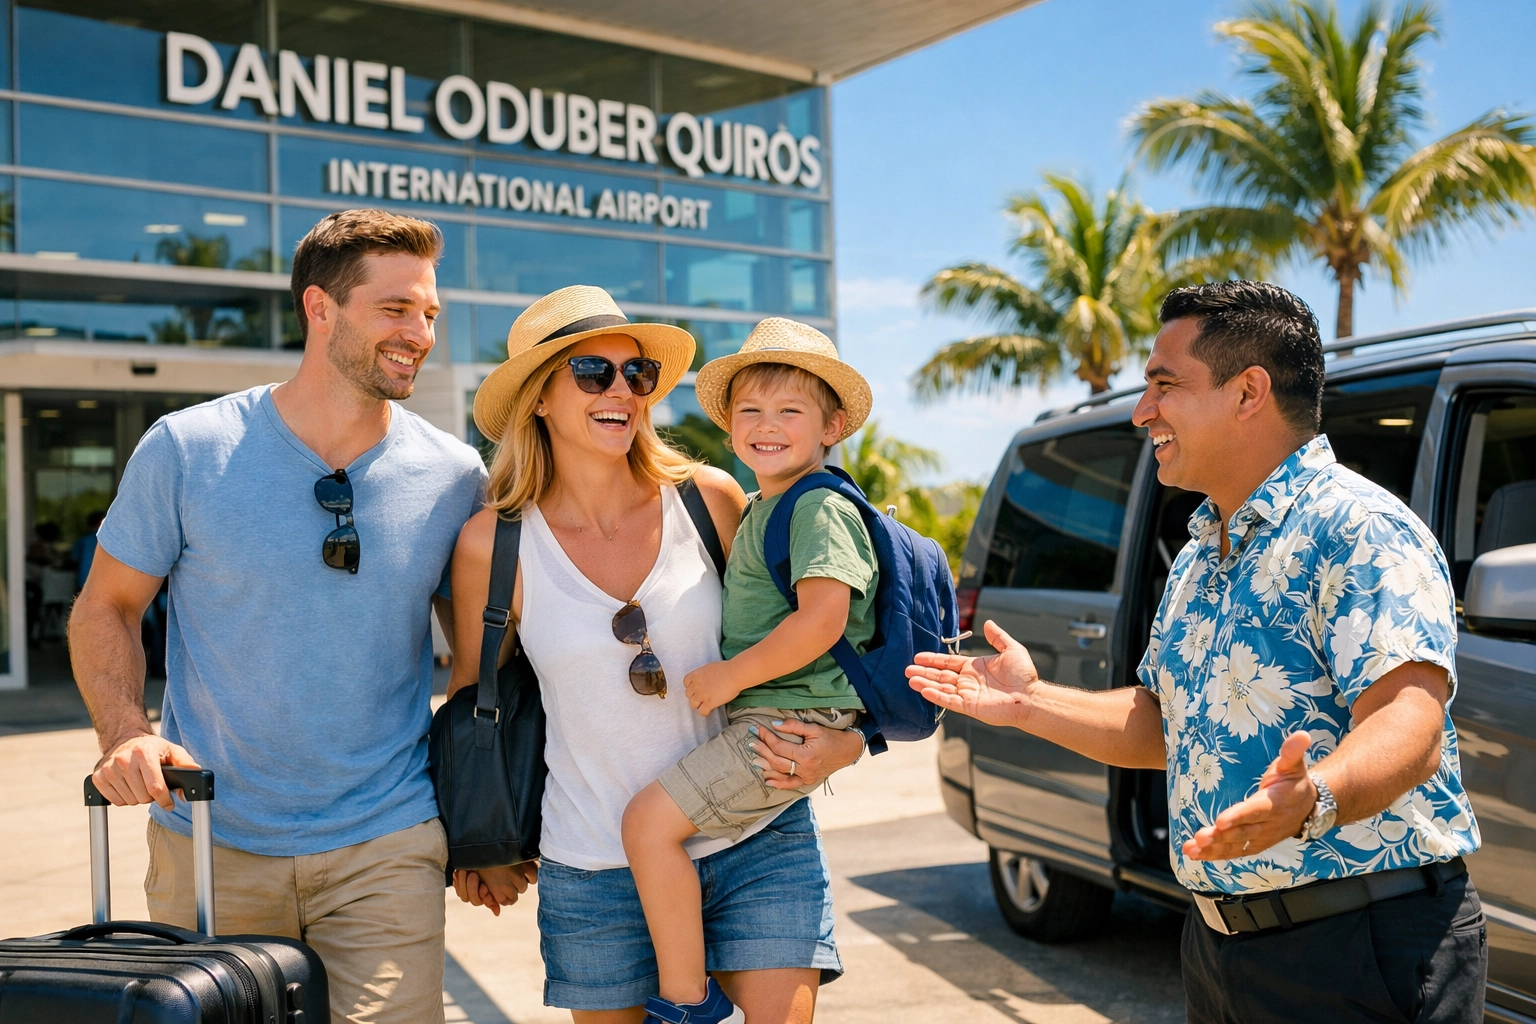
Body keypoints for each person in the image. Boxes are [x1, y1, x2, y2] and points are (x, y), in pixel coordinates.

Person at [907, 281, 1485, 1024]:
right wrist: (1028, 702)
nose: (1143, 411)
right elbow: (1162, 728)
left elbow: (1410, 727)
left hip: (1360, 947)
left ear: (1248, 392)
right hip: (1220, 949)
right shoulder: (1199, 553)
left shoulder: (1361, 529)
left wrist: (1311, 800)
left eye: (1164, 385)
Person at [69, 209, 486, 1024]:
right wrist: (125, 732)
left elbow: (477, 662)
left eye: (430, 313)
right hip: (208, 838)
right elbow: (106, 608)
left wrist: (484, 826)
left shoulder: (453, 473)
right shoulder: (186, 450)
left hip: (388, 838)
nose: (421, 333)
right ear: (319, 309)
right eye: (396, 309)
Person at [448, 287, 866, 1024]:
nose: (622, 391)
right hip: (593, 868)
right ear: (538, 399)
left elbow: (827, 632)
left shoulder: (710, 499)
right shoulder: (494, 543)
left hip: (756, 837)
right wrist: (476, 843)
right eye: (591, 373)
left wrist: (854, 741)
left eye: (636, 374)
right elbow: (473, 701)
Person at [619, 318, 876, 1024]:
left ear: (833, 424)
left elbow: (823, 619)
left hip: (785, 724)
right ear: (730, 428)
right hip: (774, 720)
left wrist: (732, 678)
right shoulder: (767, 504)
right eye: (750, 412)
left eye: (790, 411)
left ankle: (689, 1005)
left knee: (646, 826)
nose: (767, 425)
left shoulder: (819, 506)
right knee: (652, 825)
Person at [72, 510, 106, 593]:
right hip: (103, 582)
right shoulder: (107, 541)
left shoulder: (83, 540)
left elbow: (73, 559)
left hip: (83, 580)